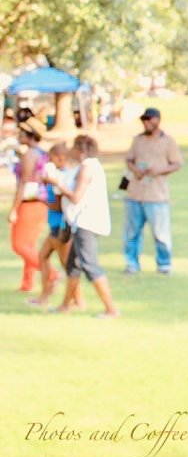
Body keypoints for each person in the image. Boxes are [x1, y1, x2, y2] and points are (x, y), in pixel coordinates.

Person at [44, 136, 119, 317]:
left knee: (89, 264)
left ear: (81, 149)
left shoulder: (87, 167)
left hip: (86, 222)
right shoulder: (88, 166)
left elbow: (76, 197)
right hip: (80, 222)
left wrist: (57, 184)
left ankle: (111, 309)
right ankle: (66, 305)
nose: (70, 151)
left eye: (74, 147)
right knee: (73, 266)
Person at [123, 107, 183, 275]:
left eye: (149, 119)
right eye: (144, 120)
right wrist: (135, 169)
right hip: (136, 193)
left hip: (157, 195)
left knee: (161, 234)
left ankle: (164, 264)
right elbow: (129, 160)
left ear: (157, 120)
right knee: (132, 233)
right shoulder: (138, 140)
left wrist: (159, 170)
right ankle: (132, 263)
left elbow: (177, 164)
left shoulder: (168, 141)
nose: (146, 123)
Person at [29, 143, 81, 307]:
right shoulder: (55, 176)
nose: (49, 161)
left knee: (67, 264)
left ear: (60, 158)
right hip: (54, 224)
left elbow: (58, 206)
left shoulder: (62, 178)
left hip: (61, 226)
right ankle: (44, 296)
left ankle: (78, 300)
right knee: (43, 257)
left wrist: (40, 200)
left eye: (51, 157)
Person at [9, 117, 49, 292]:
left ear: (29, 135)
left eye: (22, 133)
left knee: (19, 244)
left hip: (29, 203)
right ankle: (27, 283)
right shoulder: (41, 153)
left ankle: (51, 274)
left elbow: (23, 183)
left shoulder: (30, 154)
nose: (19, 136)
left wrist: (14, 209)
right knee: (30, 244)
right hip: (41, 203)